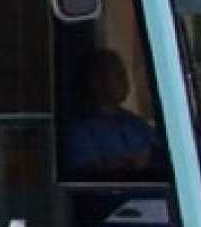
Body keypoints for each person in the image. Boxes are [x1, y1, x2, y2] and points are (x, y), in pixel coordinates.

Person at [63, 49, 164, 178]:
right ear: (96, 81)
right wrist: (129, 163)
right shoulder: (80, 131)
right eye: (117, 75)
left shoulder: (136, 123)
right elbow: (86, 174)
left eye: (124, 74)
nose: (125, 81)